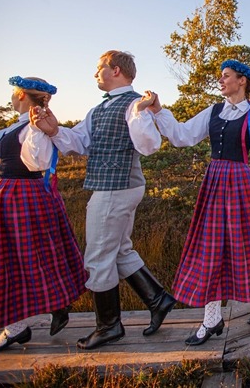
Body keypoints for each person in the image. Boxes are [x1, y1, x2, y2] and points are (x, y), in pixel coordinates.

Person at [140, 59, 250, 346]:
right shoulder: (214, 111)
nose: (221, 81)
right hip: (215, 183)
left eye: (226, 76)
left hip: (240, 185)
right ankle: (213, 318)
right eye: (221, 77)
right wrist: (158, 111)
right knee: (210, 249)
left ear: (242, 81)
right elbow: (182, 136)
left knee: (239, 248)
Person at [30, 50, 175, 350]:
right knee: (120, 249)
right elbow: (80, 143)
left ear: (116, 71)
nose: (95, 74)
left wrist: (140, 113)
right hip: (114, 186)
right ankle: (158, 300)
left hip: (116, 187)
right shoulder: (98, 110)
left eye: (99, 69)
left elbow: (148, 145)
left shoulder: (135, 104)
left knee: (97, 257)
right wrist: (54, 130)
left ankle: (109, 326)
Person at [0, 76, 87, 352]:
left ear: (21, 95)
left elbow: (36, 162)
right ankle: (26, 322)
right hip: (4, 195)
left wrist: (38, 130)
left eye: (14, 93)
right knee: (11, 259)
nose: (11, 98)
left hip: (20, 195)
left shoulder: (33, 127)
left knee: (11, 260)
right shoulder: (14, 127)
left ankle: (25, 322)